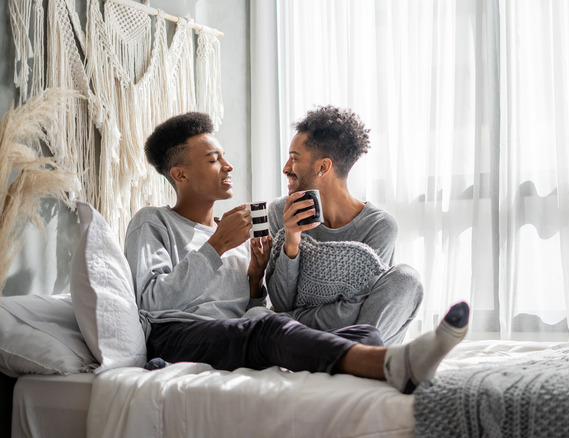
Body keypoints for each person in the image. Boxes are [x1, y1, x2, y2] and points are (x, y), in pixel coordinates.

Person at [124, 111, 469, 394]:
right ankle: (392, 364)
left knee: (359, 333)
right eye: (214, 160)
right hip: (176, 333)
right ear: (180, 174)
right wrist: (218, 245)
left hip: (233, 332)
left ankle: (376, 355)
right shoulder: (153, 222)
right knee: (269, 328)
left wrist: (257, 278)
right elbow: (151, 302)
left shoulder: (238, 233)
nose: (228, 166)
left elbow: (247, 310)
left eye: (225, 157)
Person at [267, 105, 422, 345]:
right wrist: (292, 239)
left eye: (294, 158)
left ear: (323, 167)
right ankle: (348, 354)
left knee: (406, 278)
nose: (286, 168)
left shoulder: (379, 225)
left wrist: (292, 317)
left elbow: (363, 308)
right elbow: (282, 302)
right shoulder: (281, 212)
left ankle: (348, 352)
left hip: (345, 334)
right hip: (325, 336)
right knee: (257, 316)